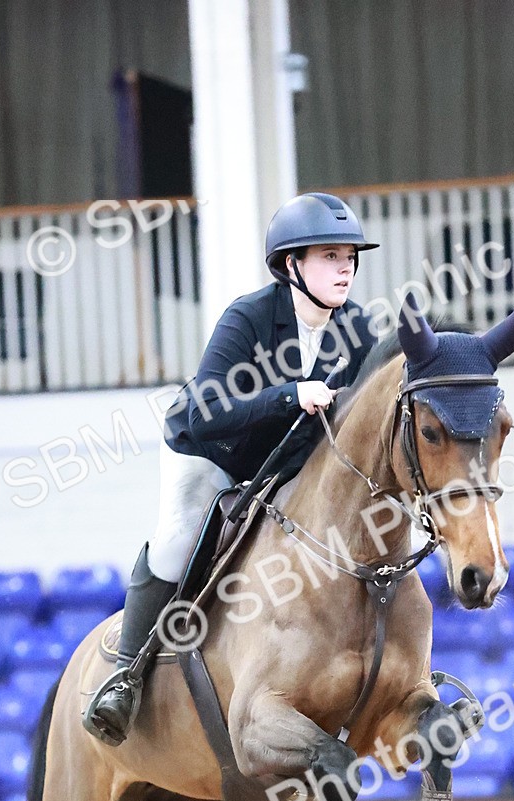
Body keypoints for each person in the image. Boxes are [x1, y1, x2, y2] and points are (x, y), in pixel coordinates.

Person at [85, 192, 379, 745]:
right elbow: (208, 411)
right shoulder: (247, 318)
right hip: (210, 452)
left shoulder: (357, 330)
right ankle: (126, 677)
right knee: (176, 542)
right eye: (330, 256)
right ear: (292, 264)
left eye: (350, 257)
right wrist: (290, 394)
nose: (346, 268)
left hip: (283, 466)